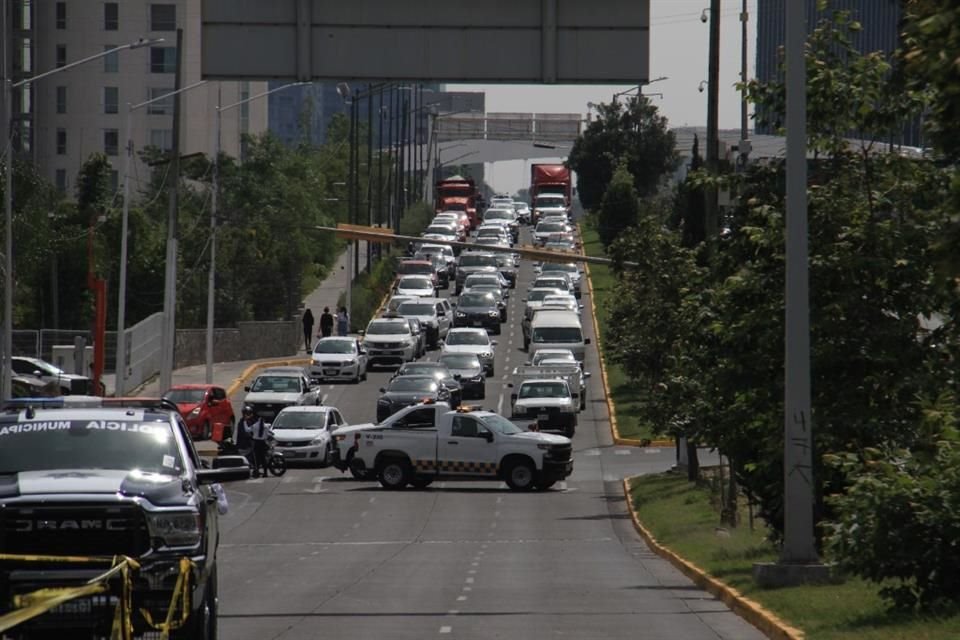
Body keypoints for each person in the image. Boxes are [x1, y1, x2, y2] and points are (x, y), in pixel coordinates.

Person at [242, 406, 272, 478]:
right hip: (263, 443)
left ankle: (257, 472)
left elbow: (247, 430)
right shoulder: (267, 426)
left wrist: (245, 421)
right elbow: (269, 432)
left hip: (256, 443)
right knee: (263, 458)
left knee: (256, 458)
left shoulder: (255, 426)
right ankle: (265, 473)